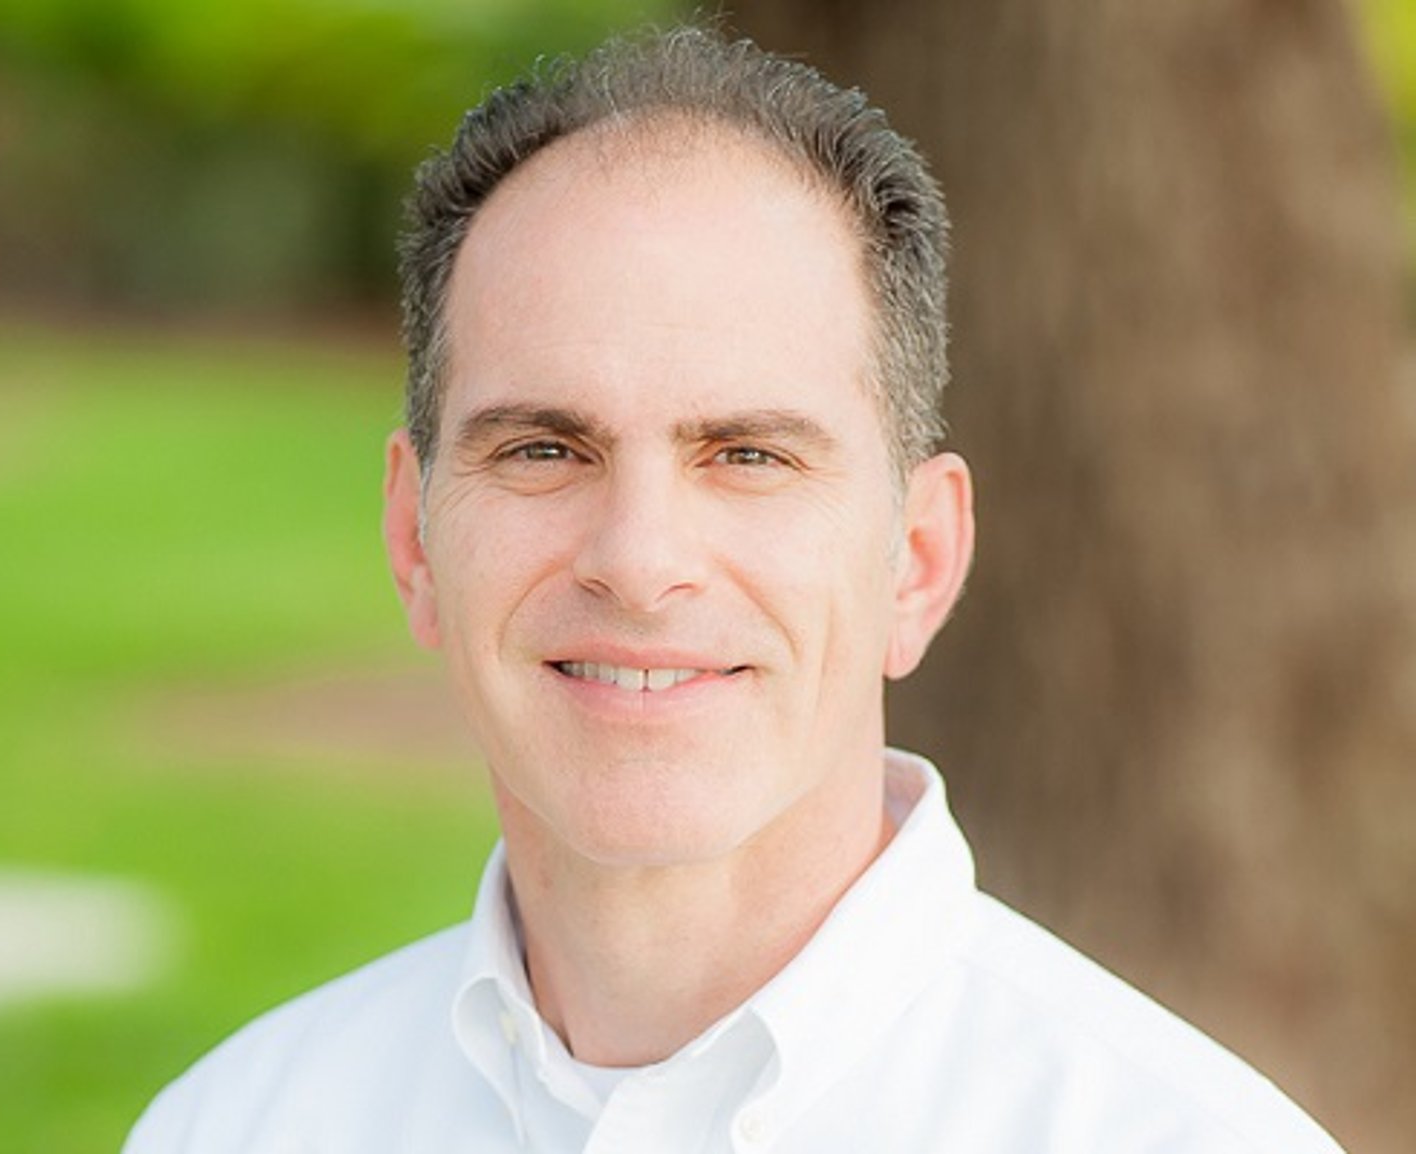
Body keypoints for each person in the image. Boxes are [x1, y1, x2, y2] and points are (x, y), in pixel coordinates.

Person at [125, 24, 1343, 1154]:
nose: (641, 560)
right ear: (414, 538)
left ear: (917, 559)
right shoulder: (235, 1121)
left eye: (749, 454)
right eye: (545, 448)